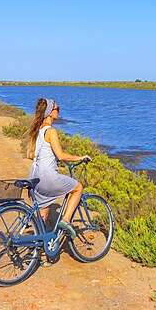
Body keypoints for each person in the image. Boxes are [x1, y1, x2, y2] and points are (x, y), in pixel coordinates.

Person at [26, 98, 91, 237]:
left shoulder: (38, 130)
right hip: (46, 177)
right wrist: (80, 157)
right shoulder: (50, 131)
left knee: (43, 214)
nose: (59, 111)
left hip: (34, 177)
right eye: (57, 109)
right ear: (50, 112)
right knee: (78, 188)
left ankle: (41, 248)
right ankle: (66, 220)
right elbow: (60, 156)